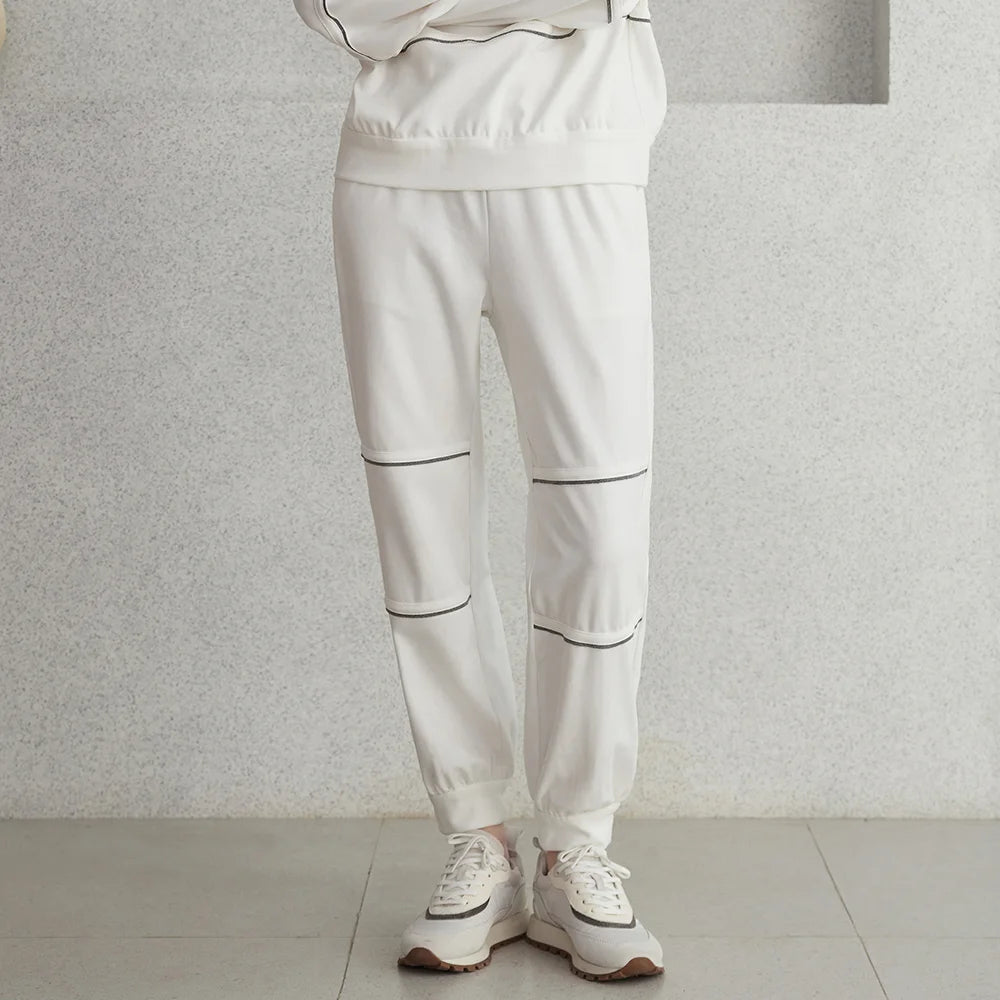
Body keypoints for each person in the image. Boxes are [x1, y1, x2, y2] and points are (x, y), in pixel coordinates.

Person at [292, 0, 667, 981]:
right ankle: (479, 836)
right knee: (420, 521)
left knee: (601, 521)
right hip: (396, 174)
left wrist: (428, 14)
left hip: (581, 158)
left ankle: (575, 844)